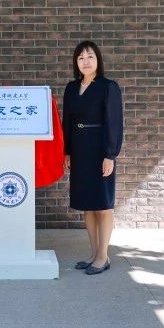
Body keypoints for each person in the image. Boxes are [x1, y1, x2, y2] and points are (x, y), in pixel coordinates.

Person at [62, 40, 123, 275]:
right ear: (75, 63)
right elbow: (67, 121)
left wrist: (110, 154)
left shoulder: (108, 87)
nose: (85, 61)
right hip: (79, 151)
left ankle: (103, 256)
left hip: (100, 151)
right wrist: (67, 150)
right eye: (81, 58)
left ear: (98, 60)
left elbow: (114, 123)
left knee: (103, 205)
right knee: (88, 206)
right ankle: (94, 253)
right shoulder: (71, 88)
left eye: (90, 57)